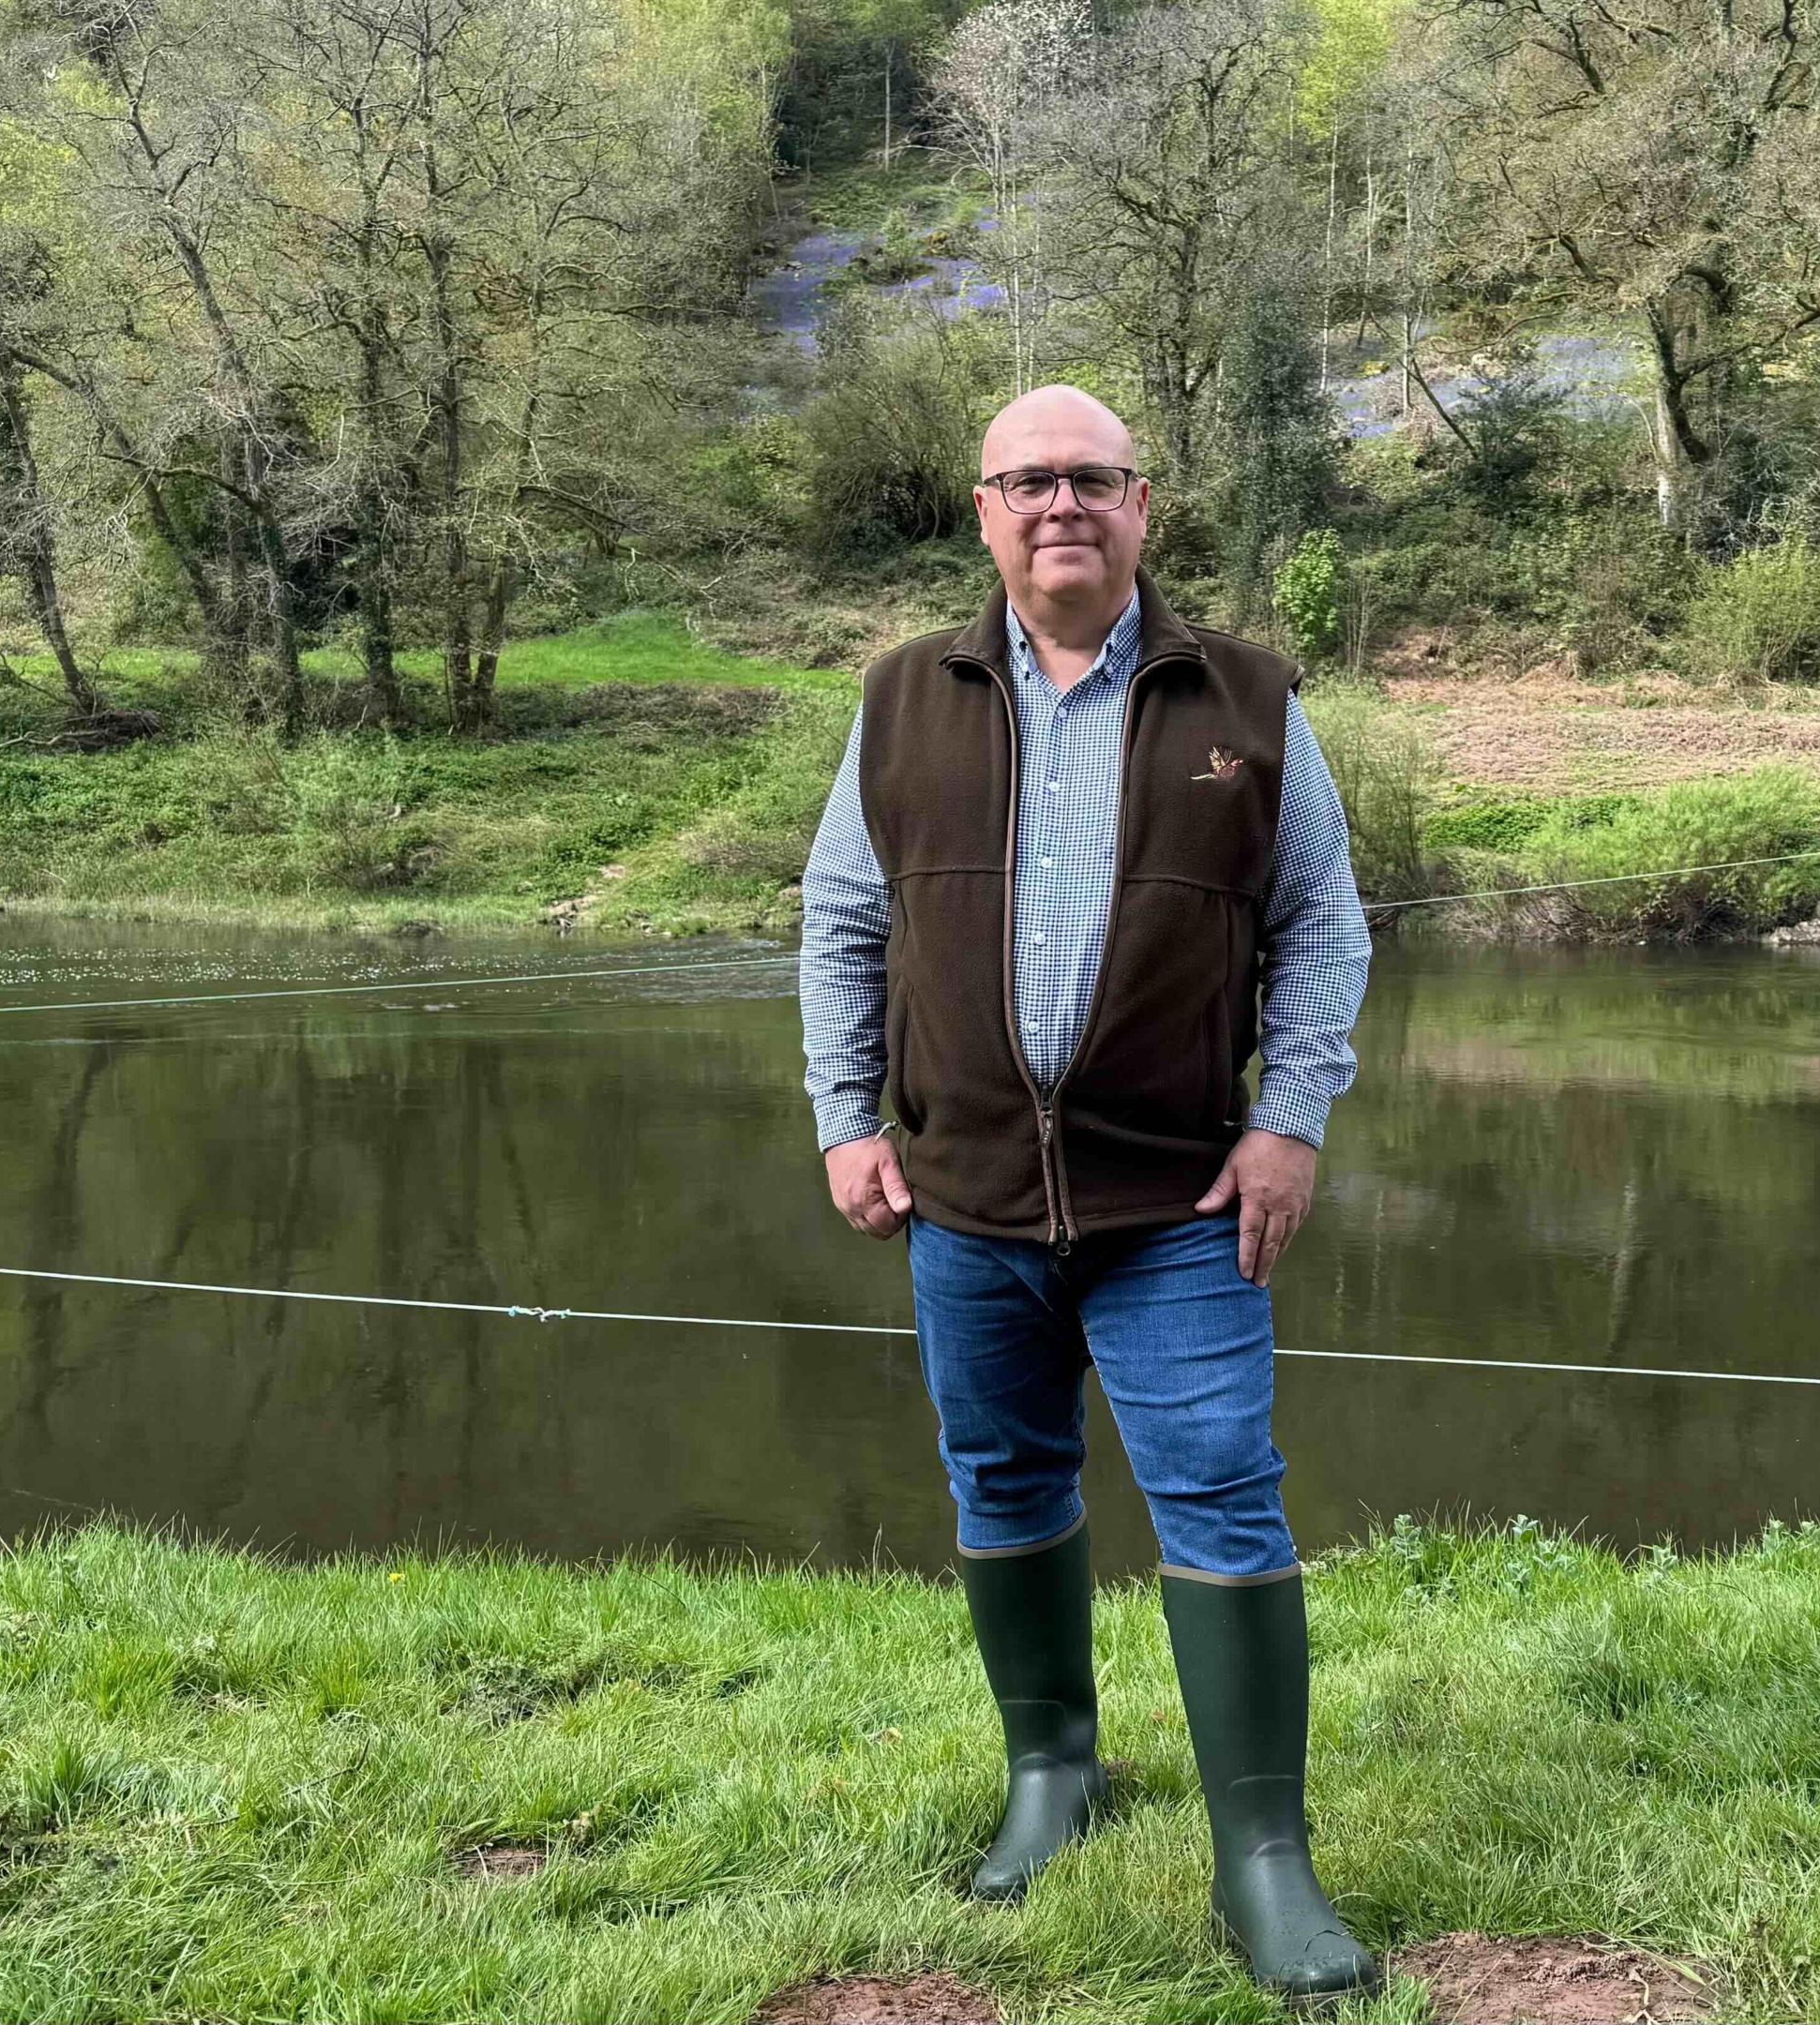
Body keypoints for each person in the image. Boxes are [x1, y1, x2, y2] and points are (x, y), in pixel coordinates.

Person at [796, 384, 1379, 1998]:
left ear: (1144, 507)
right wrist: (849, 1112)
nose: (1064, 504)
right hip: (964, 1200)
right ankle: (1053, 1776)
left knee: (1221, 1495)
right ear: (984, 510)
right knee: (1002, 1483)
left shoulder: (1248, 701)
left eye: (1095, 480)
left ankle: (1265, 1861)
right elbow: (844, 921)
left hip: (1182, 1205)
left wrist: (1293, 1120)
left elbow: (1325, 922)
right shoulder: (902, 699)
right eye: (1030, 480)